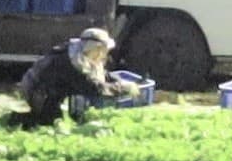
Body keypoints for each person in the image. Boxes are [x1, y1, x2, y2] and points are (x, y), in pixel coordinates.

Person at [8, 27, 139, 128]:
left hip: (53, 88)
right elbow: (94, 88)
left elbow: (100, 76)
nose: (104, 55)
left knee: (59, 117)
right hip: (36, 89)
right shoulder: (72, 63)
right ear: (96, 48)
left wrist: (117, 81)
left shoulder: (82, 52)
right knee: (48, 123)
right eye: (104, 50)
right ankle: (15, 119)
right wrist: (123, 88)